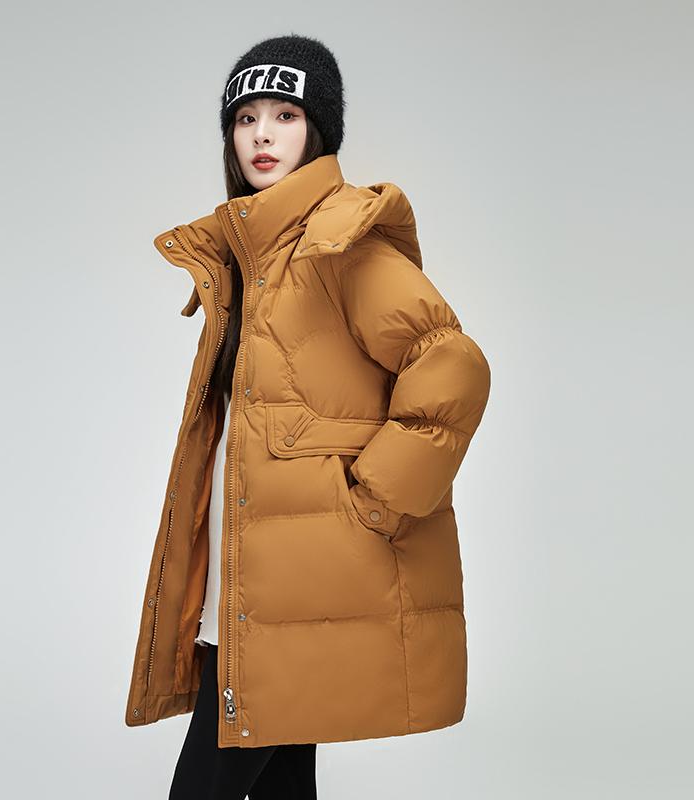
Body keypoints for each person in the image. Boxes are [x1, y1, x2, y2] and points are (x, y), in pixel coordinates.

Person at [125, 34, 492, 800]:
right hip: (250, 584)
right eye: (246, 118)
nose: (261, 134)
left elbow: (451, 364)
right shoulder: (250, 261)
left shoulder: (341, 246)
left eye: (285, 116)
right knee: (285, 783)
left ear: (317, 131)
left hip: (300, 585)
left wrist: (379, 498)